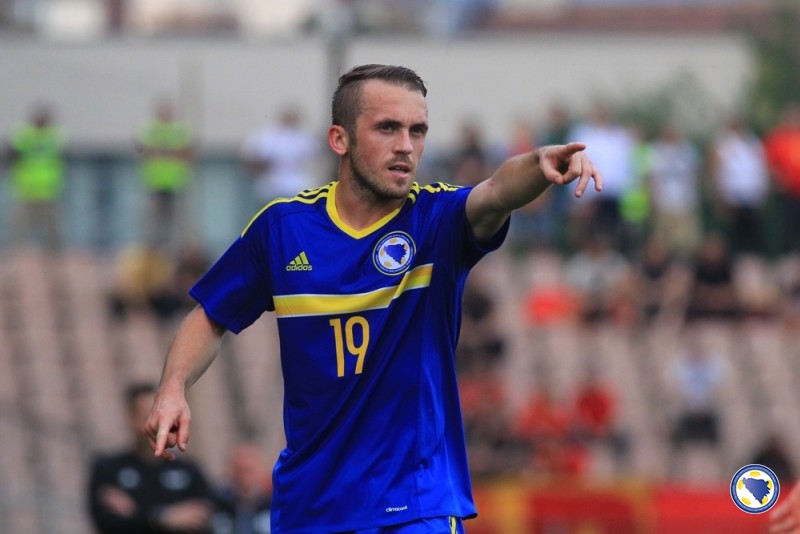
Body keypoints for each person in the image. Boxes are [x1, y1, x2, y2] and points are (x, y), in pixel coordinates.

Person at [144, 63, 602, 533]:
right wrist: (173, 387)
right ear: (339, 139)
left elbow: (497, 192)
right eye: (387, 128)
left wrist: (539, 162)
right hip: (310, 508)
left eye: (417, 131)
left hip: (415, 505)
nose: (406, 146)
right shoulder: (283, 229)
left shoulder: (436, 220)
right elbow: (210, 316)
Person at [88, 382, 215, 533]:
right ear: (131, 418)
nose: (155, 423)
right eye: (146, 416)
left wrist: (137, 514)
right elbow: (108, 524)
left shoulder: (188, 470)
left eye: (160, 415)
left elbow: (205, 516)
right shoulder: (108, 470)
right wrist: (163, 518)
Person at [4, 102, 67, 250]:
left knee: (52, 229)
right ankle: (15, 257)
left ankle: (53, 259)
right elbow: (11, 156)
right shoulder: (24, 136)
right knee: (19, 228)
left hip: (48, 191)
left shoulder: (53, 135)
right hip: (26, 190)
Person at [136, 97, 195, 249]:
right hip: (155, 183)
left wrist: (161, 151)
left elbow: (188, 151)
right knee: (153, 222)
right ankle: (152, 251)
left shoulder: (179, 130)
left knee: (177, 222)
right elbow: (143, 150)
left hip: (176, 183)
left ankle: (178, 250)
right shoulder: (150, 129)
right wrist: (169, 151)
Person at [239, 105, 322, 208]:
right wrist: (262, 163)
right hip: (271, 187)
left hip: (296, 187)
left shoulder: (304, 136)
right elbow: (248, 159)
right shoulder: (266, 135)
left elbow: (316, 155)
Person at [210, 442, 272, 534]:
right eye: (239, 470)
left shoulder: (275, 506)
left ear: (262, 471)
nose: (244, 478)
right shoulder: (216, 506)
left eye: (248, 471)